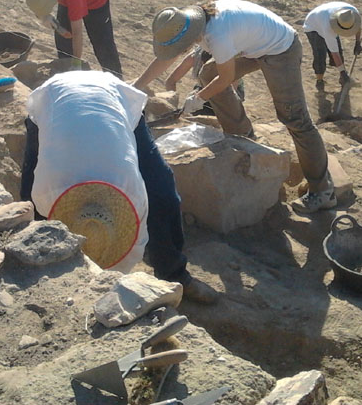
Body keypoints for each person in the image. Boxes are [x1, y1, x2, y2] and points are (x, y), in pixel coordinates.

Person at [19, 70, 217, 304]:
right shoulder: (45, 191)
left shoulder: (133, 191)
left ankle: (173, 274)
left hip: (113, 98)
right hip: (52, 99)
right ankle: (44, 272)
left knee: (162, 192)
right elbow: (37, 207)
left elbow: (148, 211)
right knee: (29, 202)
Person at [134, 0, 336, 213]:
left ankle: (323, 190)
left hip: (280, 49)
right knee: (208, 72)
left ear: (189, 35)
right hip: (253, 46)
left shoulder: (217, 34)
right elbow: (167, 58)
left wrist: (199, 98)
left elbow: (226, 77)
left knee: (294, 118)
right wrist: (134, 87)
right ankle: (242, 134)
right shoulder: (189, 23)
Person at [25, 0, 123, 77]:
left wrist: (77, 63)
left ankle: (116, 78)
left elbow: (77, 32)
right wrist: (44, 17)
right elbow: (35, 4)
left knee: (102, 42)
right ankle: (66, 70)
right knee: (62, 38)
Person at [303, 2, 362, 88]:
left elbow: (358, 27)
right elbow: (334, 52)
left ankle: (342, 79)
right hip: (313, 26)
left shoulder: (352, 14)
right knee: (320, 54)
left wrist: (357, 43)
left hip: (323, 17)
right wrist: (343, 72)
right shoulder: (328, 28)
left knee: (339, 52)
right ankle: (319, 80)